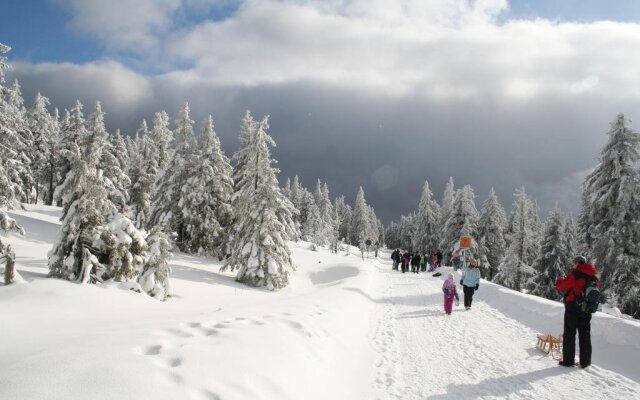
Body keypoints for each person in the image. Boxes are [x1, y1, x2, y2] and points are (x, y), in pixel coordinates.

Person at [555, 255, 598, 368]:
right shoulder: (594, 277)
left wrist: (560, 279)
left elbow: (561, 286)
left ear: (578, 263)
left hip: (573, 307)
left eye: (574, 263)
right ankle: (585, 362)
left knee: (569, 334)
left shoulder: (575, 274)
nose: (573, 265)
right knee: (585, 335)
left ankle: (568, 361)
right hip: (587, 309)